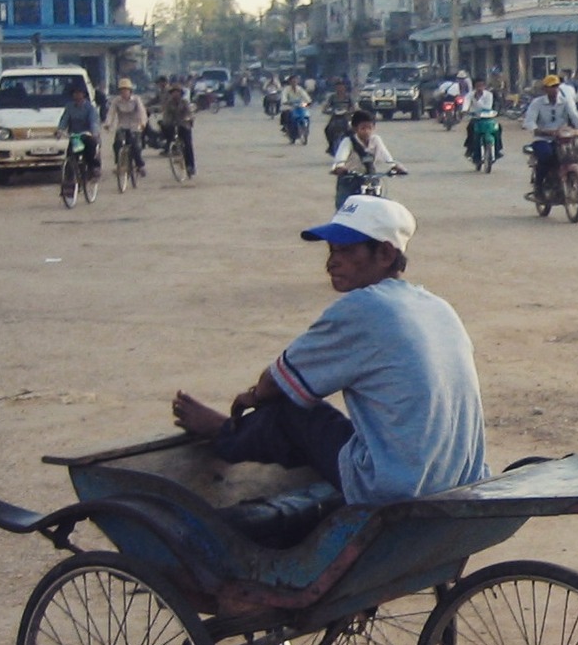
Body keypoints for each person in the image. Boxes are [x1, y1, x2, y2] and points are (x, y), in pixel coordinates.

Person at [171, 197, 488, 506]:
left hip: (393, 487)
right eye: (332, 250)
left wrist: (252, 398)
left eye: (347, 250)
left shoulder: (365, 307)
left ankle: (224, 433)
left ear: (386, 254)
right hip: (461, 476)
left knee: (292, 412)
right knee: (331, 421)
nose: (332, 261)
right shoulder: (437, 306)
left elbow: (276, 383)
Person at [521, 74, 578, 197]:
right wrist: (540, 130)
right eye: (551, 87)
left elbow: (575, 117)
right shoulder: (537, 103)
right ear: (545, 89)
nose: (554, 89)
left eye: (556, 86)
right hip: (543, 138)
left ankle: (565, 180)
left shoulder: (565, 102)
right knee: (546, 156)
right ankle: (539, 186)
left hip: (563, 138)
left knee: (573, 155)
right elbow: (529, 122)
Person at [332, 109, 406, 207]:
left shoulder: (376, 140)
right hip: (350, 178)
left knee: (379, 202)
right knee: (344, 205)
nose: (367, 131)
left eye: (369, 128)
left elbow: (385, 155)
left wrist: (394, 166)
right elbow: (341, 157)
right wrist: (340, 167)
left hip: (370, 176)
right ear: (355, 128)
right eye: (363, 128)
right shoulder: (348, 141)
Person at [56, 79, 101, 178]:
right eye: (75, 93)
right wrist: (60, 130)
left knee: (90, 150)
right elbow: (64, 119)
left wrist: (94, 132)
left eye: (79, 93)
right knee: (71, 157)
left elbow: (93, 121)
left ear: (84, 94)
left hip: (87, 135)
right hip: (75, 136)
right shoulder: (69, 107)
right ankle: (69, 181)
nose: (77, 96)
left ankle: (93, 168)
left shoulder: (90, 108)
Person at [102, 77, 148, 174]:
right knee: (117, 144)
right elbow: (111, 113)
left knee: (135, 145)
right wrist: (108, 124)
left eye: (126, 90)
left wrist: (143, 123)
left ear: (130, 91)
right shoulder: (116, 101)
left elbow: (142, 113)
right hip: (122, 126)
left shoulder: (136, 100)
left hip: (135, 126)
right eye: (122, 90)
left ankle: (140, 165)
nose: (124, 93)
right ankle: (119, 164)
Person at [159, 82, 196, 178]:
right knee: (165, 130)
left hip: (184, 124)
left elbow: (190, 113)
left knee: (188, 144)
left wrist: (187, 118)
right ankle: (169, 147)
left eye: (177, 92)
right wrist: (165, 121)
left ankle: (190, 166)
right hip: (173, 124)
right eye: (173, 92)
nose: (175, 94)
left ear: (181, 93)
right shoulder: (168, 103)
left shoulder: (185, 102)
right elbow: (166, 115)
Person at [463, 78, 503, 163]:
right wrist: (465, 110)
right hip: (476, 118)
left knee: (498, 128)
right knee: (470, 128)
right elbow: (466, 104)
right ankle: (470, 149)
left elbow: (488, 107)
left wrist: (478, 100)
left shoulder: (489, 95)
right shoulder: (470, 95)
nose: (480, 88)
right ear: (474, 87)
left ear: (484, 86)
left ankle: (498, 149)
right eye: (478, 86)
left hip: (488, 117)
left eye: (481, 85)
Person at [323, 77, 355, 153]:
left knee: (352, 131)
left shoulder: (348, 97)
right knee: (327, 130)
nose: (340, 88)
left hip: (346, 117)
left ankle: (354, 147)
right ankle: (331, 146)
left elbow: (353, 107)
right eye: (338, 87)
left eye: (341, 86)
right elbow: (326, 107)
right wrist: (326, 111)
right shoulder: (332, 97)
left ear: (344, 87)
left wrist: (350, 111)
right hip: (335, 117)